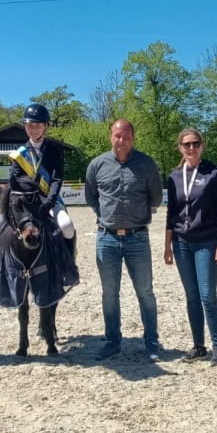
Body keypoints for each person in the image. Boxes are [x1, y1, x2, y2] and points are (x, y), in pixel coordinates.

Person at [85, 119, 163, 362]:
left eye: (127, 136)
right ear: (111, 136)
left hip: (137, 238)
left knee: (145, 292)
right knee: (110, 293)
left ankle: (151, 341)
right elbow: (91, 198)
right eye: (118, 135)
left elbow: (156, 198)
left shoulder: (147, 164)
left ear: (133, 137)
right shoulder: (97, 165)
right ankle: (112, 342)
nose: (122, 140)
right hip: (106, 238)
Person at [163, 128, 217, 365]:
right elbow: (172, 213)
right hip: (181, 242)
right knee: (191, 296)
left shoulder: (213, 173)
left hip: (207, 241)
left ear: (202, 145)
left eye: (195, 143)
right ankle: (198, 345)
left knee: (207, 295)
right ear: (180, 147)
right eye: (186, 144)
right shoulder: (174, 176)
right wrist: (167, 245)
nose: (191, 148)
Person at [0, 104, 75, 253]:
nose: (33, 129)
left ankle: (70, 266)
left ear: (45, 126)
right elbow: (17, 181)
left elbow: (56, 179)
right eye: (29, 125)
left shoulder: (55, 150)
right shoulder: (19, 154)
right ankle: (1, 267)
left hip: (49, 200)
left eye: (37, 125)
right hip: (25, 203)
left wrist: (50, 201)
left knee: (67, 226)